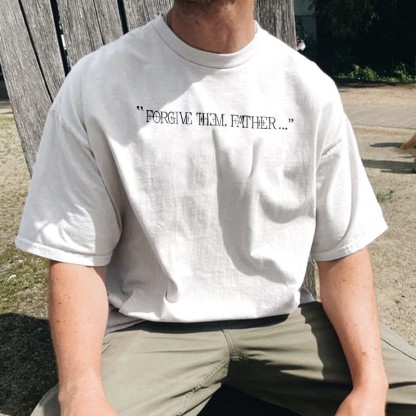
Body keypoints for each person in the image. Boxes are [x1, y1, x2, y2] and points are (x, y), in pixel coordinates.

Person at [16, 1, 416, 415]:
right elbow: (76, 256)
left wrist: (370, 384)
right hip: (152, 331)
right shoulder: (97, 84)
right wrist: (80, 392)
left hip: (284, 322)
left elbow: (342, 251)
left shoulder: (309, 90)